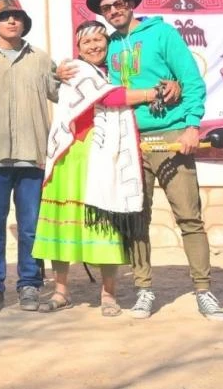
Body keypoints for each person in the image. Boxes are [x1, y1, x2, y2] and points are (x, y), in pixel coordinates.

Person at [84, 0, 223, 322]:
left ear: (131, 4)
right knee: (136, 218)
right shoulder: (110, 45)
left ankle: (204, 290)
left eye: (118, 4)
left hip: (172, 135)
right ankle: (144, 289)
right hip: (130, 140)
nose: (113, 11)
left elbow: (191, 80)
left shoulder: (162, 34)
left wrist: (192, 124)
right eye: (106, 8)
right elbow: (90, 70)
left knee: (189, 217)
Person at [34, 21, 177, 316]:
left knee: (104, 222)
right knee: (65, 224)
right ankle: (61, 291)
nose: (94, 46)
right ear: (78, 48)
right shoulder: (76, 70)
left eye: (99, 39)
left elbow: (114, 91)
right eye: (87, 42)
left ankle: (108, 294)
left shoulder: (113, 73)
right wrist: (154, 93)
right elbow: (110, 97)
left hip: (103, 158)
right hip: (72, 155)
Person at [0, 0, 59, 314]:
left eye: (17, 16)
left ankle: (30, 284)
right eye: (5, 17)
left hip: (32, 157)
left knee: (31, 226)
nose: (12, 21)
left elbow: (63, 93)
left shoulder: (41, 60)